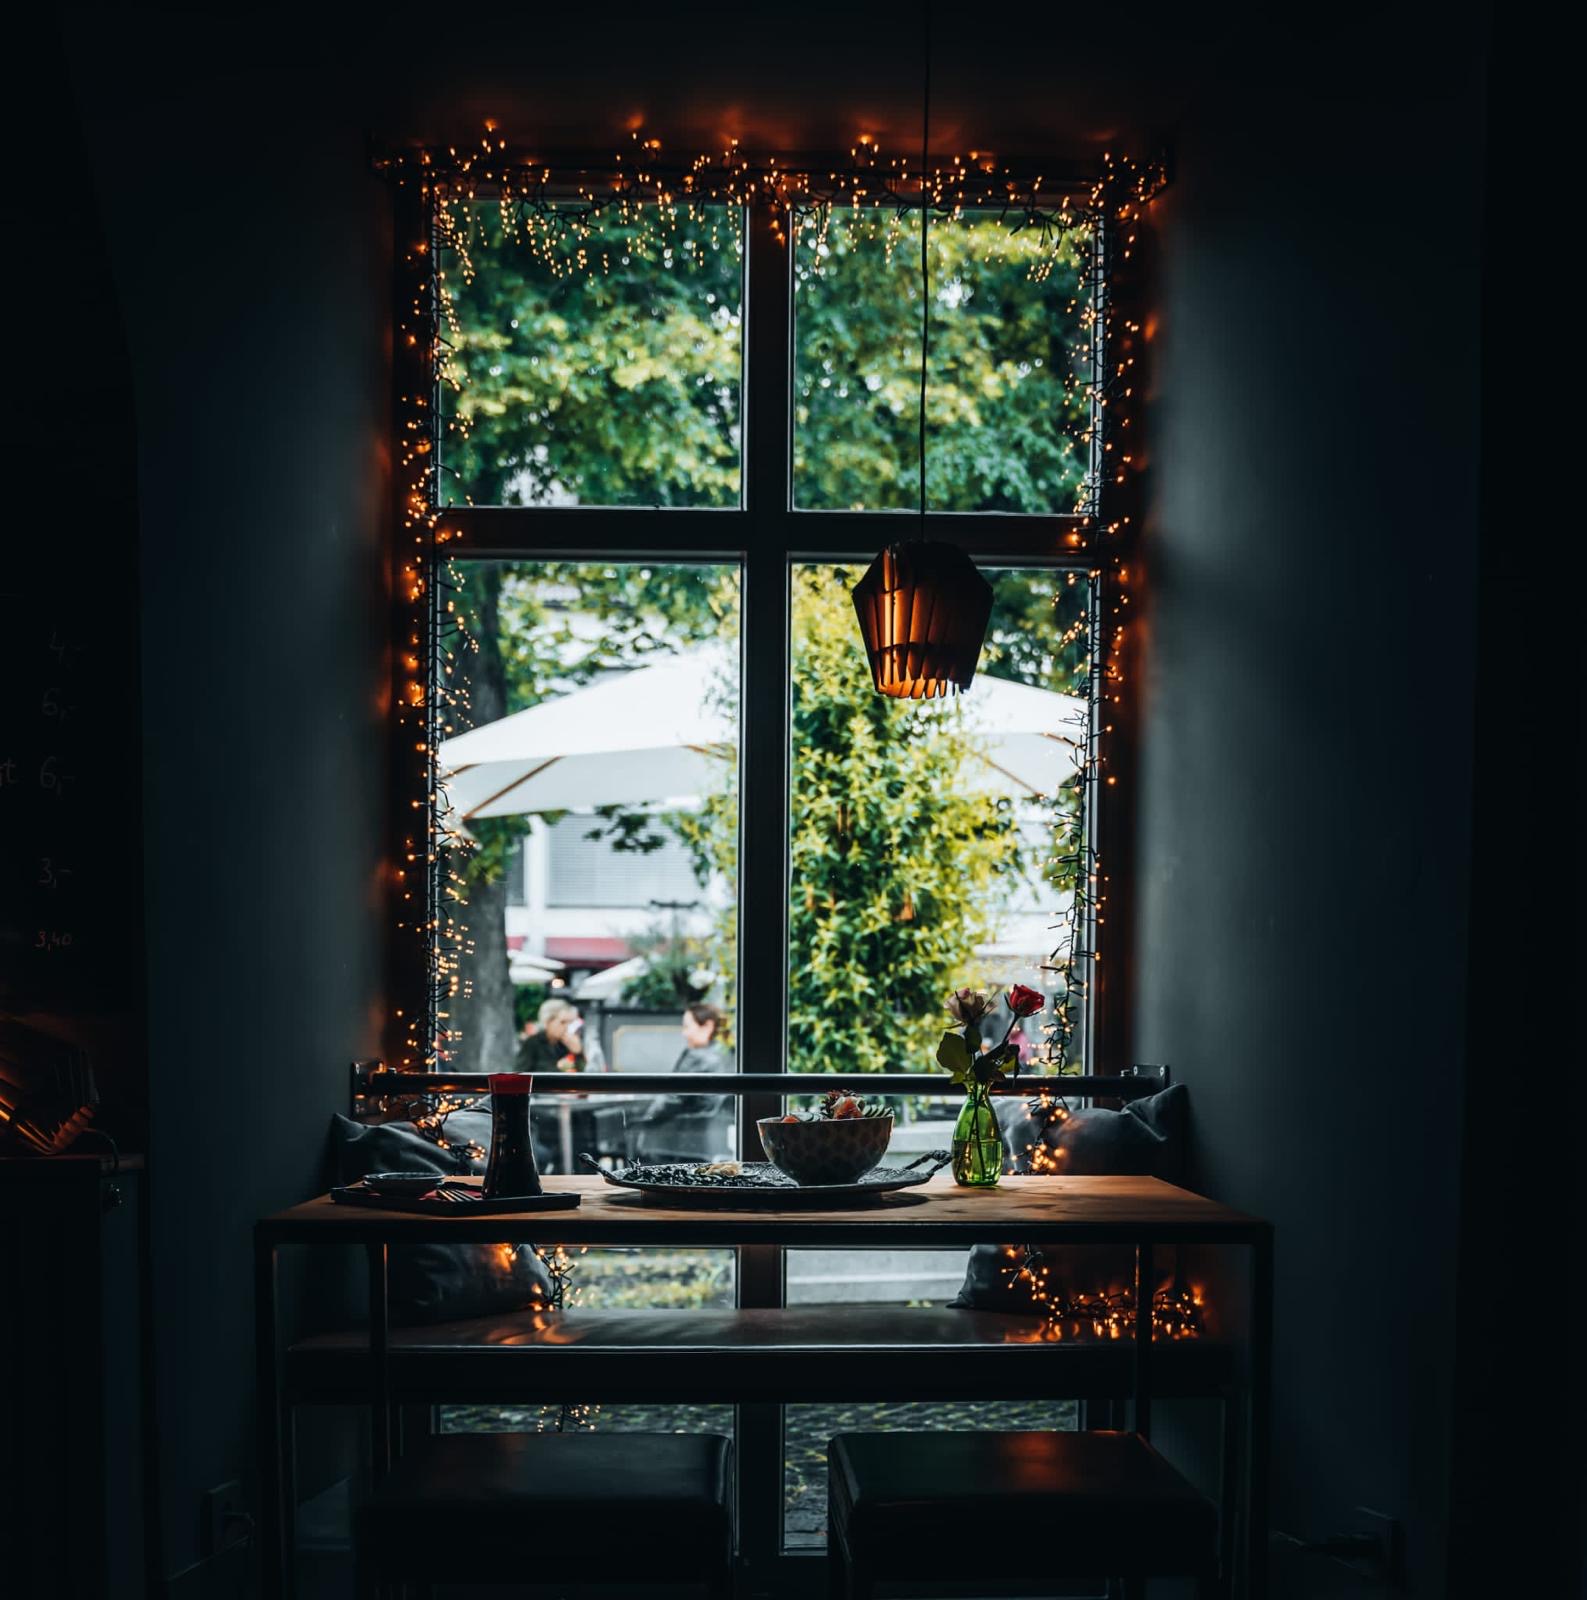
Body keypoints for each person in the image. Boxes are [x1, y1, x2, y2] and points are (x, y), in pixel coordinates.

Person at [632, 1003, 734, 1162]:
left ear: (707, 1026)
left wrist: (645, 1120)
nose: (684, 1033)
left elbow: (673, 1097)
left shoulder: (697, 1057)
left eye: (687, 1026)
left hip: (679, 1140)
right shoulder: (727, 1056)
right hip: (708, 1141)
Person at [515, 998, 584, 1075]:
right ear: (548, 1021)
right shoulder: (533, 1043)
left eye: (569, 1023)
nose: (566, 1027)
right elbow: (520, 1074)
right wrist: (557, 1068)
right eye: (563, 1022)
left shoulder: (567, 1044)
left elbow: (583, 1072)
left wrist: (578, 1053)